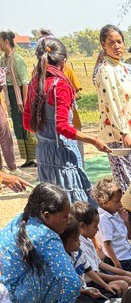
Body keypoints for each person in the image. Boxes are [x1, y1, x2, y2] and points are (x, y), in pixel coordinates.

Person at [22, 38, 109, 205]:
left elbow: (28, 124)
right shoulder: (60, 85)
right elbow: (62, 127)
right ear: (64, 62)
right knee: (73, 202)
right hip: (62, 153)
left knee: (52, 201)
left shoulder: (35, 82)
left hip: (44, 153)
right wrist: (93, 140)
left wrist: (44, 132)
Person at [0, 182, 78, 303]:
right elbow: (72, 282)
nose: (68, 220)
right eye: (64, 216)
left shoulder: (19, 219)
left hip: (4, 300)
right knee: (61, 267)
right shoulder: (46, 236)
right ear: (46, 216)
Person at [94, 25, 131, 190]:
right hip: (119, 136)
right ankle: (130, 215)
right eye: (112, 43)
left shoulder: (123, 68)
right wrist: (124, 132)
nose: (117, 46)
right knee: (127, 185)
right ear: (103, 45)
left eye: (119, 42)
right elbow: (111, 104)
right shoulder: (105, 70)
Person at [92, 176, 131, 274]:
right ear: (105, 202)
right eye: (117, 201)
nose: (120, 204)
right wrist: (117, 264)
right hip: (119, 258)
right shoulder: (104, 219)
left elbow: (127, 236)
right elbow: (106, 244)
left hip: (128, 252)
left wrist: (126, 220)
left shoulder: (115, 213)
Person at [0, 31, 36, 166]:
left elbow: (25, 82)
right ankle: (27, 158)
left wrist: (25, 102)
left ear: (6, 42)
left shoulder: (18, 59)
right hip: (10, 94)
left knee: (25, 125)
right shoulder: (3, 59)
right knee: (18, 126)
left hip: (20, 94)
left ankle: (33, 156)